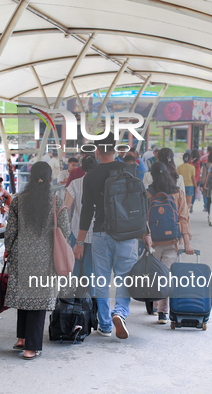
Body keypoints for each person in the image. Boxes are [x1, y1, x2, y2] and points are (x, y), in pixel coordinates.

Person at [73, 133, 140, 340]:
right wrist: (144, 232)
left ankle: (104, 324)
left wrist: (79, 241)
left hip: (101, 233)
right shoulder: (130, 170)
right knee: (124, 277)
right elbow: (140, 203)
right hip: (127, 234)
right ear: (115, 149)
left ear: (97, 151)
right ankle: (119, 312)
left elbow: (86, 211)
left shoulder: (90, 176)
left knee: (101, 280)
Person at [5, 162, 70, 360]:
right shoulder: (56, 202)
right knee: (38, 302)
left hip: (20, 255)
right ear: (50, 179)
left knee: (24, 297)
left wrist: (9, 249)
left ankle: (21, 339)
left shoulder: (17, 201)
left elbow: (10, 232)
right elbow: (65, 232)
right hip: (45, 258)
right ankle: (31, 348)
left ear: (31, 178)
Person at [144, 162, 194, 324]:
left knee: (153, 275)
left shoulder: (148, 194)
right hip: (172, 241)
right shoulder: (177, 193)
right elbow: (183, 219)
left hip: (153, 242)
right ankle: (162, 313)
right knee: (166, 276)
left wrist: (147, 237)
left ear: (152, 175)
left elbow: (143, 219)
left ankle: (155, 303)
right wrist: (187, 243)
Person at [65, 156, 97, 292]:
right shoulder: (102, 183)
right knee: (91, 269)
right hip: (96, 232)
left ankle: (71, 300)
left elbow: (65, 207)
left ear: (82, 168)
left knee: (74, 266)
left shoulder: (75, 183)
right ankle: (92, 301)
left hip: (77, 230)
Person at [200, 150, 212, 218]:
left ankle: (210, 215)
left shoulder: (206, 165)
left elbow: (204, 176)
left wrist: (201, 184)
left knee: (209, 201)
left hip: (208, 185)